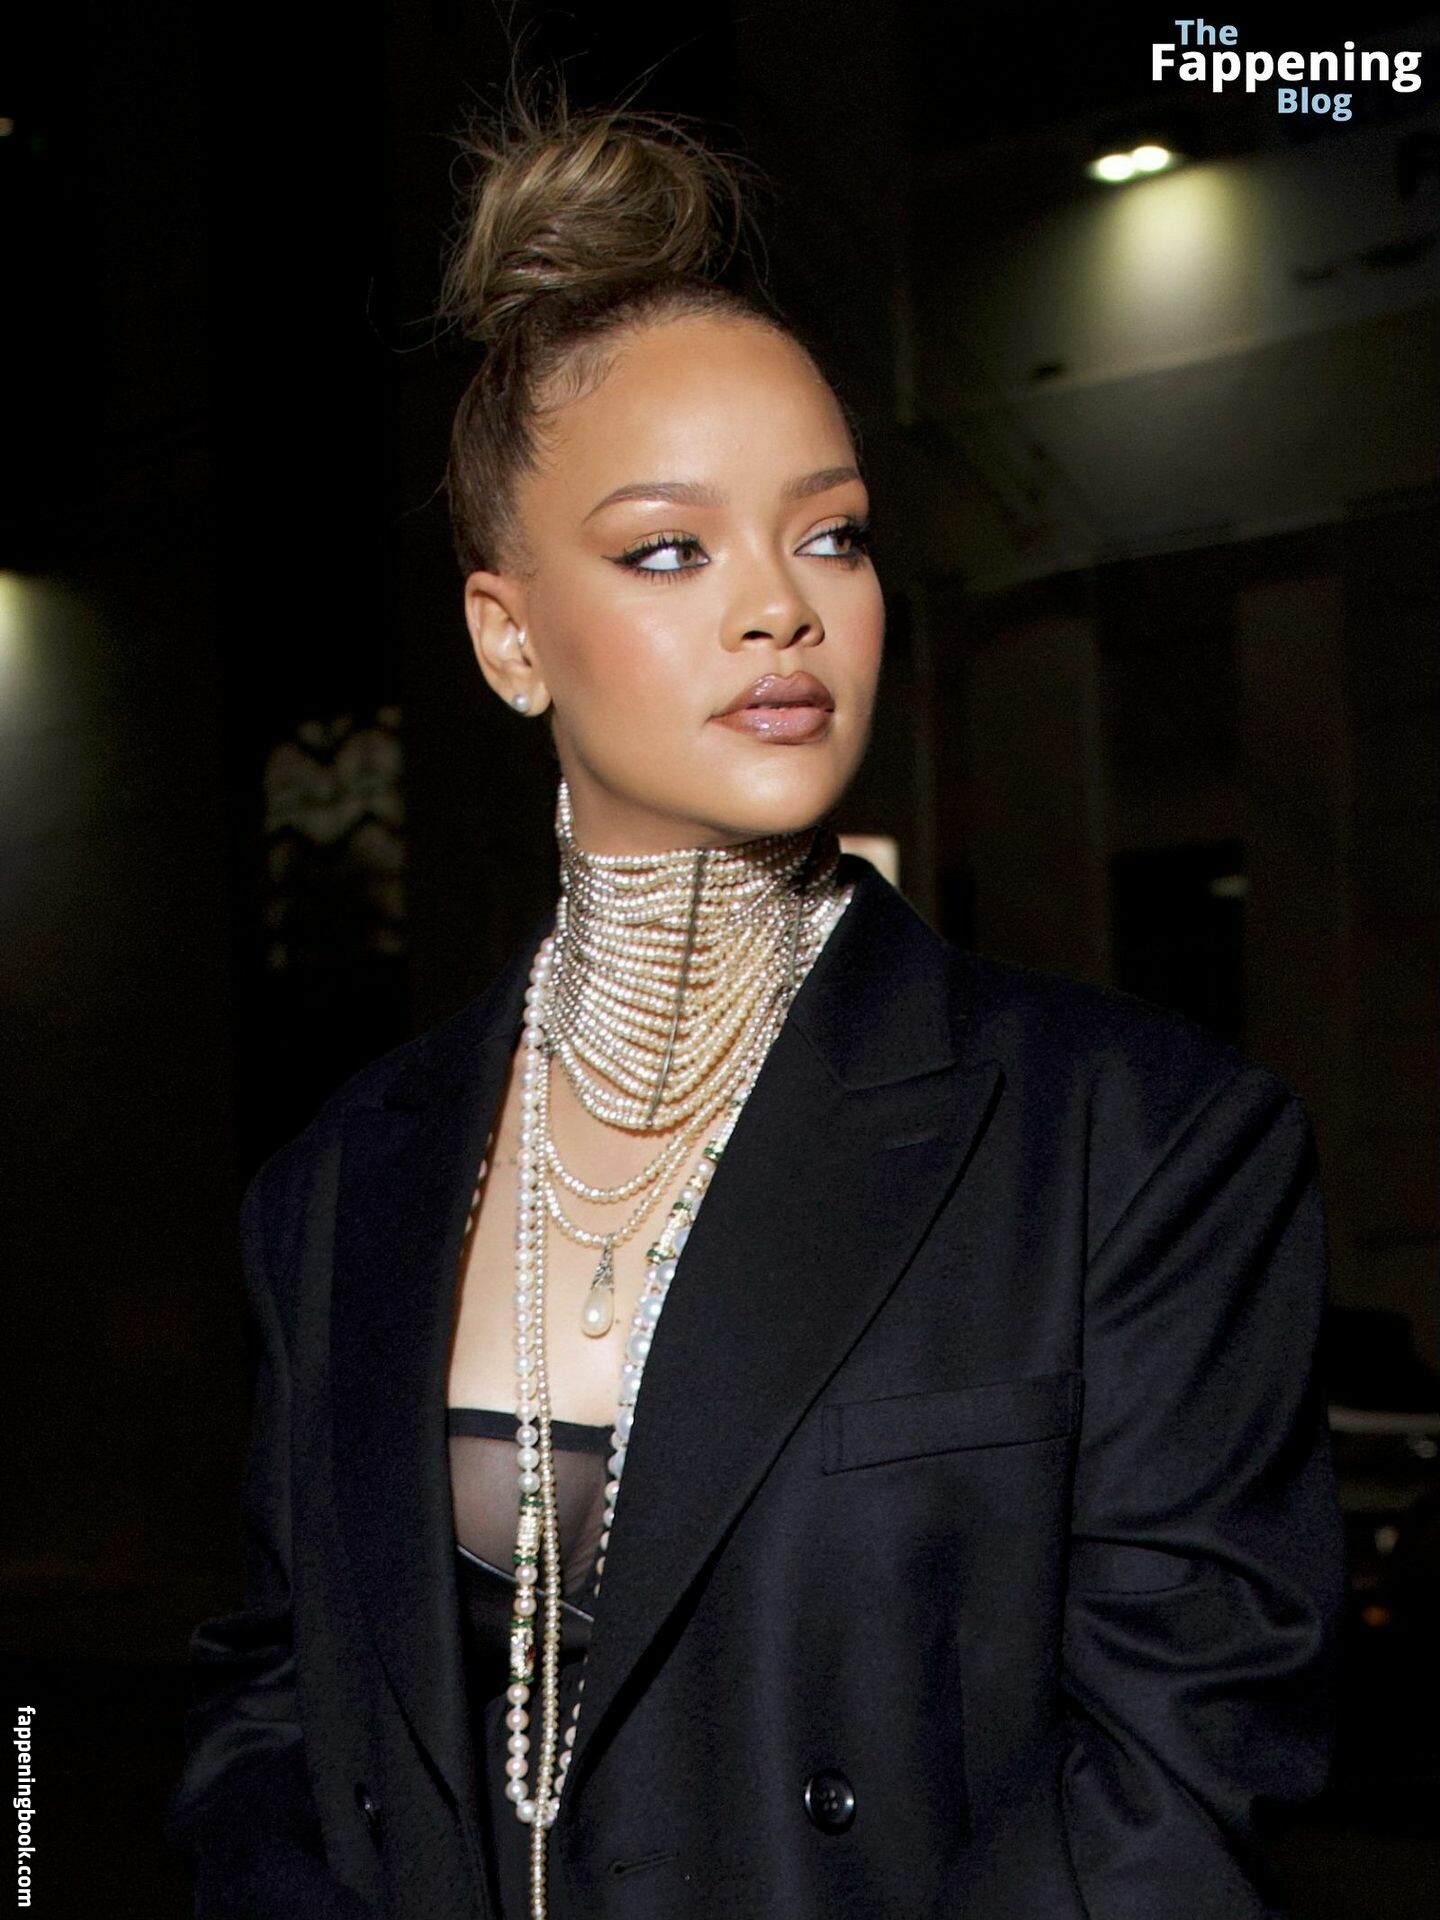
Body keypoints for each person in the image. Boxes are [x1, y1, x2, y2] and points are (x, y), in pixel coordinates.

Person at [164, 84, 1345, 1920]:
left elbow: (1178, 1783)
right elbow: (272, 1700)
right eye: (668, 549)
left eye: (833, 535)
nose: (779, 610)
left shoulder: (1137, 1141)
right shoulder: (339, 1186)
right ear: (506, 636)